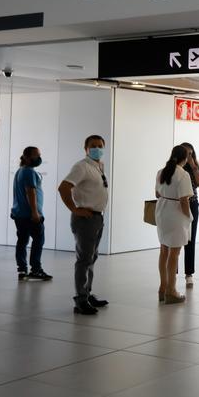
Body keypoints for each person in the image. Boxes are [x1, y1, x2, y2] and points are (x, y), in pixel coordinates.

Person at [58, 135, 110, 316]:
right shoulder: (81, 167)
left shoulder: (97, 167)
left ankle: (87, 293)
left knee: (91, 257)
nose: (97, 148)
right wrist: (75, 209)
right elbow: (63, 187)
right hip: (85, 219)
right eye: (93, 146)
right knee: (84, 260)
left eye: (100, 146)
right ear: (86, 149)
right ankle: (80, 299)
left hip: (97, 218)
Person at [155, 145, 194, 304]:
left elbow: (157, 193)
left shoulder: (161, 172)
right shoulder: (183, 174)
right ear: (184, 158)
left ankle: (163, 287)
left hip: (162, 211)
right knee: (174, 253)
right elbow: (184, 200)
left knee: (164, 250)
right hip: (176, 213)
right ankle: (171, 290)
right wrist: (189, 216)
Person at [11, 146, 52, 281]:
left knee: (22, 241)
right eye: (36, 155)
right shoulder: (29, 172)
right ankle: (36, 269)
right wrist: (35, 213)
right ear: (27, 157)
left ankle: (22, 270)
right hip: (30, 215)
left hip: (19, 214)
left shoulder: (20, 171)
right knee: (38, 240)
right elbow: (31, 192)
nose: (39, 158)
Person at [180, 142, 199, 287]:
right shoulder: (175, 168)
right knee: (176, 240)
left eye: (191, 153)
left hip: (192, 204)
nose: (188, 156)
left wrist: (193, 166)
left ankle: (189, 273)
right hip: (177, 205)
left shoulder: (194, 168)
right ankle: (172, 271)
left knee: (191, 239)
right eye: (185, 153)